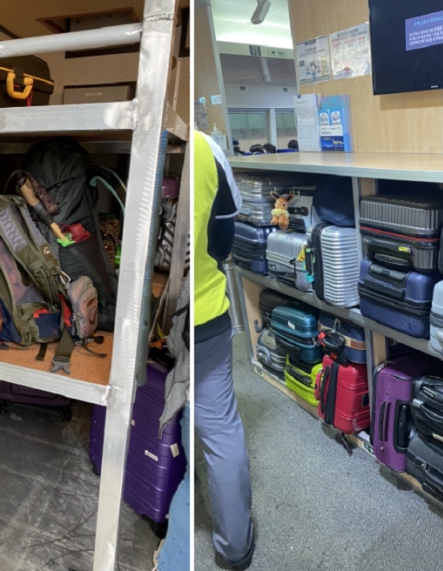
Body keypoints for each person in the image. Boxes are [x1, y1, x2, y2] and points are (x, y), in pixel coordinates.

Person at [193, 130, 255, 570]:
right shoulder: (204, 147)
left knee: (150, 409)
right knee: (219, 430)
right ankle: (234, 549)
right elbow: (223, 236)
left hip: (147, 319)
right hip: (205, 314)